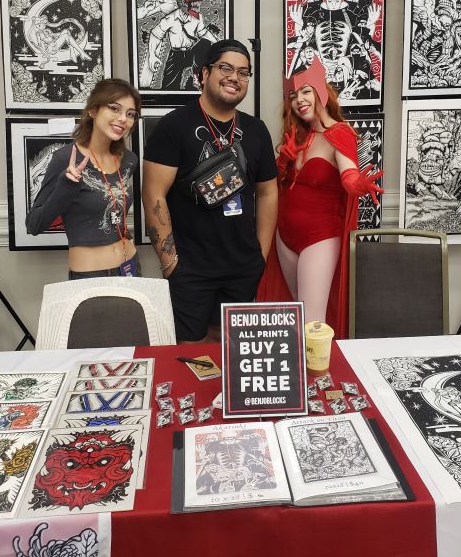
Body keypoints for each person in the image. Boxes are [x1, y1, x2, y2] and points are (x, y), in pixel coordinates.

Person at [142, 39, 278, 343]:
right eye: (225, 68)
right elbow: (153, 195)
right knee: (189, 353)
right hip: (190, 268)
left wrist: (260, 256)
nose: (234, 77)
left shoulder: (257, 130)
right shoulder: (173, 126)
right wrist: (170, 262)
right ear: (204, 73)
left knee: (232, 349)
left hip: (243, 266)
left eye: (243, 72)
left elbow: (268, 193)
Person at [258, 57, 382, 336]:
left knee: (311, 324)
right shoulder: (301, 136)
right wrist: (283, 162)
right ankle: (299, 366)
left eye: (305, 91)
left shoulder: (340, 133)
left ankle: (318, 367)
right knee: (295, 315)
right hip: (284, 236)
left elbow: (348, 174)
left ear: (321, 92)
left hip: (319, 237)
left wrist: (357, 183)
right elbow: (278, 187)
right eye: (293, 96)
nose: (299, 100)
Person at [26, 78, 142, 279]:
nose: (123, 118)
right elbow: (34, 225)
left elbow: (114, 212)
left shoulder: (129, 160)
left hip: (129, 266)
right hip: (90, 275)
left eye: (130, 114)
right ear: (92, 111)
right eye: (115, 109)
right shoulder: (64, 159)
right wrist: (65, 185)